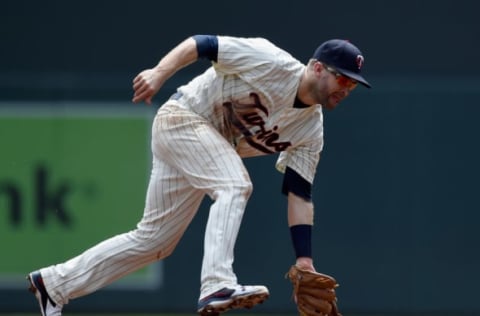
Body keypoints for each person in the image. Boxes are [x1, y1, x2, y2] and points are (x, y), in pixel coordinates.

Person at [27, 34, 371, 316]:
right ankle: (216, 283)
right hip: (183, 117)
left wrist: (305, 261)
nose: (346, 87)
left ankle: (55, 285)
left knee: (155, 242)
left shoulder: (311, 129)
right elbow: (204, 44)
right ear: (316, 68)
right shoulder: (271, 61)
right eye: (342, 77)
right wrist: (160, 72)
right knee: (235, 185)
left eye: (352, 84)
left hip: (205, 147)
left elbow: (299, 193)